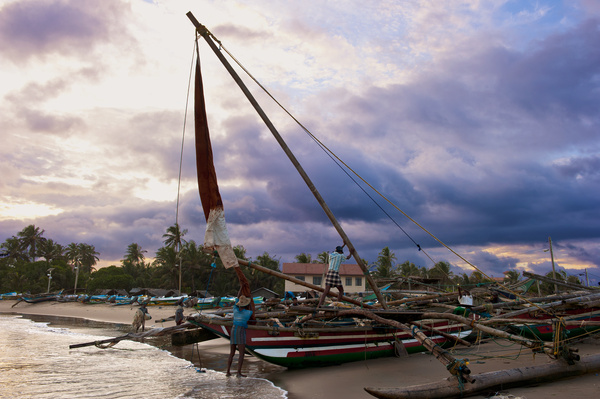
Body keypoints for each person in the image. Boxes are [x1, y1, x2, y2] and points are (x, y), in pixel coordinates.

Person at [226, 295, 253, 377]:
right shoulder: (248, 313)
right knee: (241, 353)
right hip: (241, 331)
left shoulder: (235, 310)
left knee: (232, 353)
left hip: (234, 330)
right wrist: (249, 303)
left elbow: (236, 301)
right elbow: (251, 309)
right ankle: (238, 372)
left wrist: (241, 290)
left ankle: (228, 372)